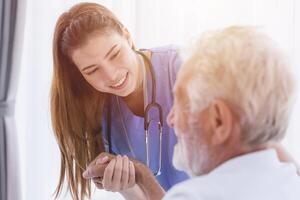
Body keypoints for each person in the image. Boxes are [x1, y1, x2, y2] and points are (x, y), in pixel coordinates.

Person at [83, 26, 300, 200]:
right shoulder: (291, 182)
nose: (170, 118)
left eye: (181, 103)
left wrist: (140, 174)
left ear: (219, 121)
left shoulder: (194, 194)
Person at [51, 2, 188, 200]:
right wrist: (125, 182)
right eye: (92, 70)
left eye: (115, 54)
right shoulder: (101, 110)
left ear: (127, 36)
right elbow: (141, 196)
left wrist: (141, 174)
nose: (111, 76)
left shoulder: (181, 66)